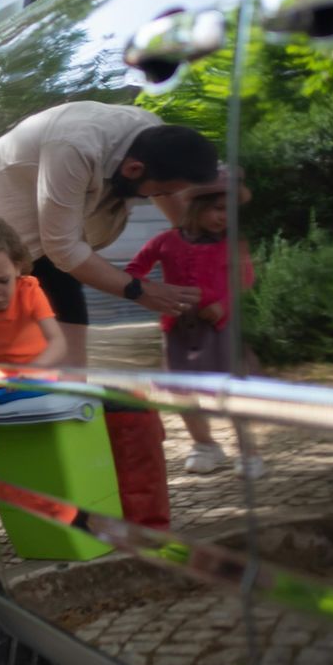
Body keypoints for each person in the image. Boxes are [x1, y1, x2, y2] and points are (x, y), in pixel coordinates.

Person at [0, 102, 218, 362]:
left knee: (67, 343)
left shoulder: (152, 135)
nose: (165, 198)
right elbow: (64, 249)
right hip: (3, 214)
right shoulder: (74, 147)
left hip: (56, 236)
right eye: (160, 193)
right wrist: (141, 290)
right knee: (5, 337)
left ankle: (69, 391)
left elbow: (173, 201)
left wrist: (200, 240)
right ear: (133, 169)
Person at [127, 170, 262, 476]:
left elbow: (245, 279)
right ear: (197, 207)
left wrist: (222, 306)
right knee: (182, 390)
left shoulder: (232, 244)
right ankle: (205, 446)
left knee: (233, 389)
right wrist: (153, 292)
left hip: (220, 329)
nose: (223, 218)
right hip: (177, 330)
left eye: (229, 211)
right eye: (217, 209)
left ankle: (248, 451)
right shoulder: (165, 242)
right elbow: (134, 271)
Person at [0, 216, 66, 367]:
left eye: (1, 281)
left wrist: (30, 372)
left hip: (31, 379)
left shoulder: (29, 292)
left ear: (17, 268)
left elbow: (58, 343)